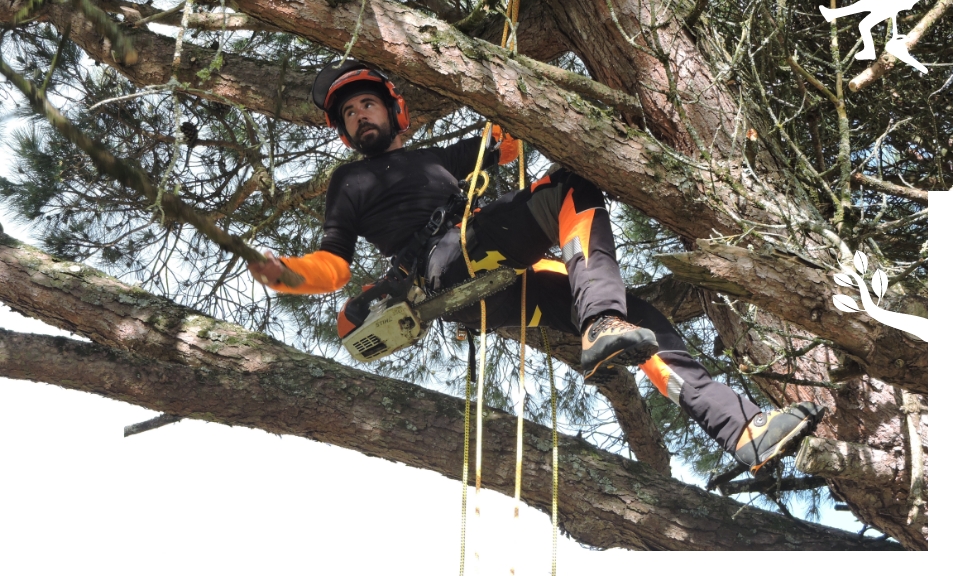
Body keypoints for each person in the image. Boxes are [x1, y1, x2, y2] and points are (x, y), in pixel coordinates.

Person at [248, 59, 824, 472]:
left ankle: (740, 428)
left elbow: (508, 142)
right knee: (570, 190)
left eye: (366, 103)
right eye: (348, 113)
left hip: (495, 283)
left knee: (640, 317)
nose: (359, 116)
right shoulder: (350, 181)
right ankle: (601, 319)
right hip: (447, 262)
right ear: (342, 132)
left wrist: (511, 79)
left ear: (395, 110)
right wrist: (289, 274)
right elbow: (334, 264)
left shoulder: (441, 155)